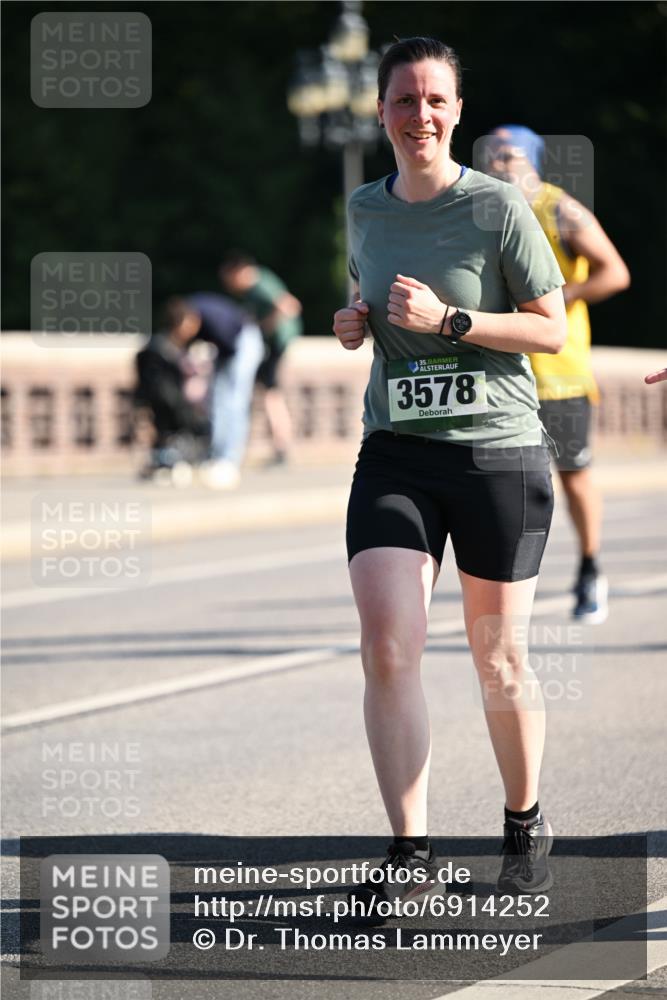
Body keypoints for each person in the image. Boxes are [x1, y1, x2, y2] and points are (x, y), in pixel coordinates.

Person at [332, 37, 568, 907]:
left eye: (435, 100)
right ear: (382, 111)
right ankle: (409, 856)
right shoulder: (363, 205)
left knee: (497, 655)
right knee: (389, 646)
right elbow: (370, 303)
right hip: (395, 450)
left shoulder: (497, 206)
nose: (418, 115)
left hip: (495, 450)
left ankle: (523, 816)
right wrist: (355, 324)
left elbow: (551, 329)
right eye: (403, 100)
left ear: (457, 112)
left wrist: (452, 320)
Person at [481, 126, 631, 623]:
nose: (498, 163)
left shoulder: (560, 209)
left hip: (558, 374)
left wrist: (558, 298)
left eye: (509, 155)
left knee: (573, 478)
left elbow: (615, 271)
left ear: (534, 161)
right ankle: (503, 588)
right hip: (502, 374)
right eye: (491, 155)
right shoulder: (483, 209)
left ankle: (590, 568)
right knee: (499, 483)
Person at [219, 251, 303, 465]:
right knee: (270, 393)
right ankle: (279, 445)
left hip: (276, 345)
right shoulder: (257, 284)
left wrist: (265, 327)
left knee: (271, 395)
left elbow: (289, 305)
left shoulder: (259, 284)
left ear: (238, 272)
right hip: (275, 344)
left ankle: (281, 446)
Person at [186, 291, 264, 489]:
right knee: (219, 400)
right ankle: (217, 454)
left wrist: (202, 372)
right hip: (230, 346)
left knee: (233, 401)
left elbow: (228, 347)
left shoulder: (211, 320)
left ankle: (229, 458)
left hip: (244, 342)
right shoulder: (193, 313)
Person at [135, 298, 210, 485]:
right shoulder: (161, 349)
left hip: (170, 402)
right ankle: (170, 462)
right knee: (192, 424)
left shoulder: (167, 346)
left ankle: (167, 462)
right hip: (168, 402)